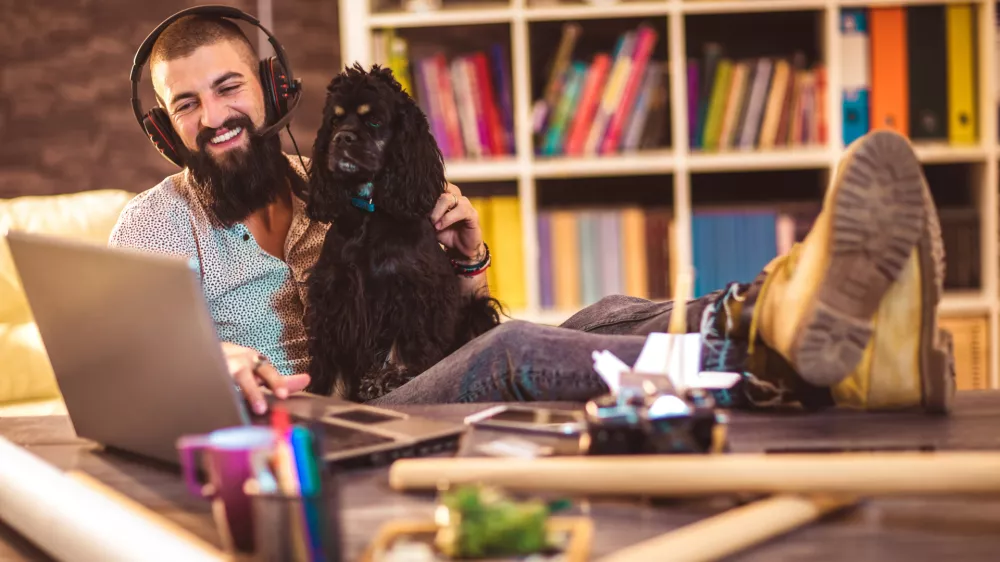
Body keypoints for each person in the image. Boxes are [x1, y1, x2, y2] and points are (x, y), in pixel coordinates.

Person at [111, 13, 954, 417]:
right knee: (514, 351)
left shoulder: (332, 179)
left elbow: (440, 312)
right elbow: (128, 367)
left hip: (408, 381)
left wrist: (468, 260)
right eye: (185, 104)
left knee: (604, 311)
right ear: (164, 128)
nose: (212, 116)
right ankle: (773, 355)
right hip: (325, 427)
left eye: (227, 87)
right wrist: (212, 356)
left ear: (272, 89)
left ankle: (787, 303)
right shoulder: (153, 227)